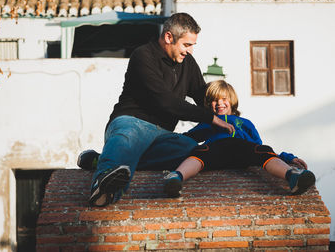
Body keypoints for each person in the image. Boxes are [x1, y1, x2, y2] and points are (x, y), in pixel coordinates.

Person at [85, 13, 235, 207]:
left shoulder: (187, 63)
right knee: (127, 139)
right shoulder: (143, 56)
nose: (189, 51)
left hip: (163, 136)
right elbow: (167, 102)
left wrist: (226, 112)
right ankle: (103, 189)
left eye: (192, 46)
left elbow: (202, 96)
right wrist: (210, 118)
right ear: (168, 37)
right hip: (132, 121)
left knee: (192, 150)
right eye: (186, 45)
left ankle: (100, 159)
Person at [163, 80, 316, 197]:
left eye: (224, 99)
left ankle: (292, 176)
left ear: (232, 100)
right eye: (214, 101)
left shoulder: (245, 123)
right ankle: (177, 177)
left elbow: (258, 146)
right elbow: (187, 139)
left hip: (242, 150)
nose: (219, 103)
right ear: (209, 105)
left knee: (263, 151)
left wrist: (287, 157)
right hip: (216, 150)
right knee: (199, 152)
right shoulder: (209, 121)